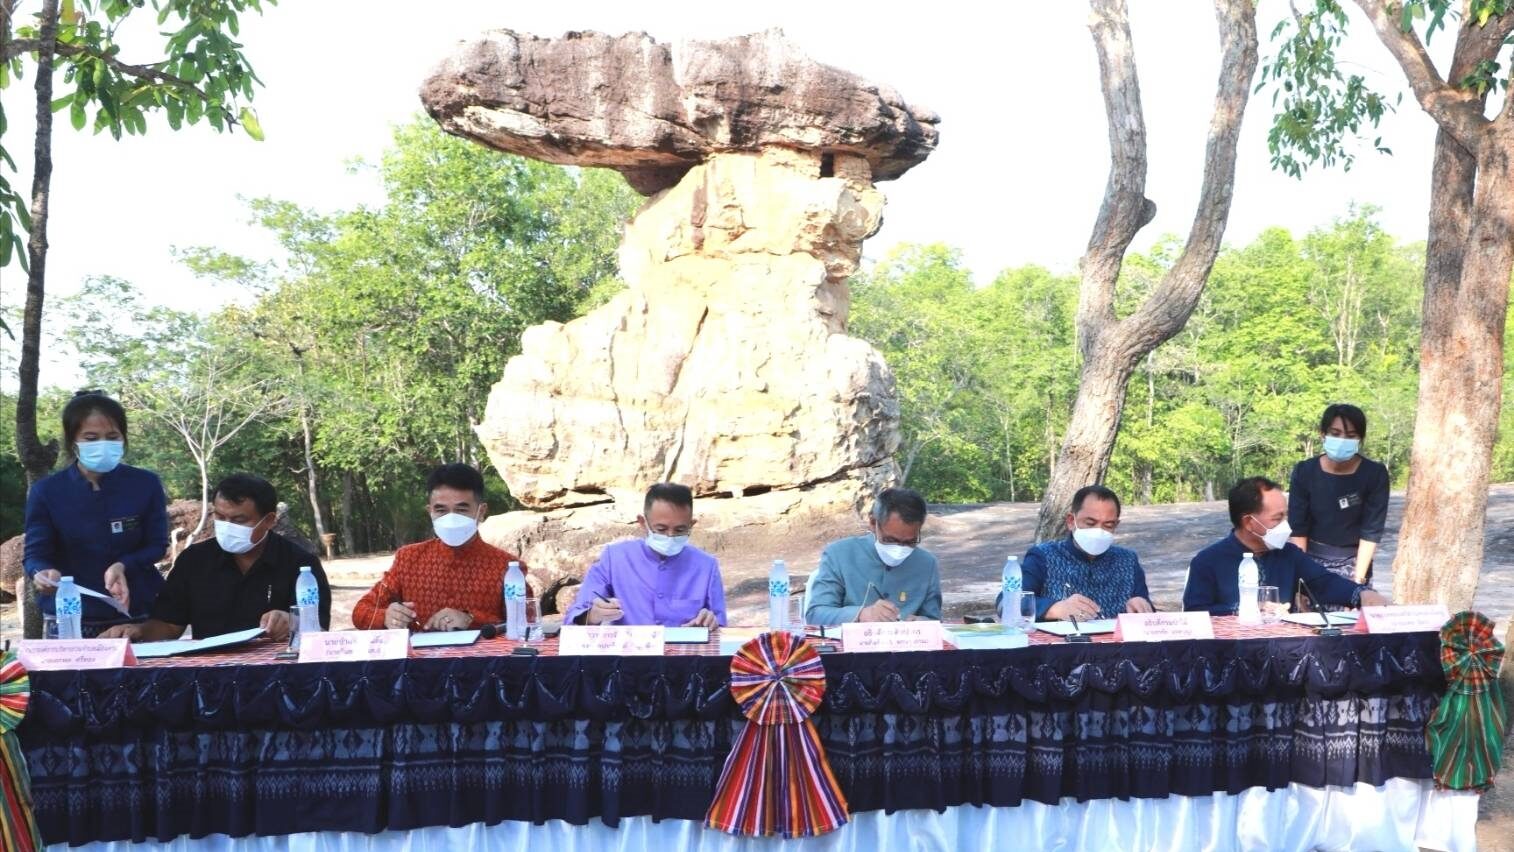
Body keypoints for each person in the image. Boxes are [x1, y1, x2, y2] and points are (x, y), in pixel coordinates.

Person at [99, 474, 330, 642]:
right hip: (208, 678)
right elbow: (169, 625)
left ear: (269, 520)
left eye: (239, 520)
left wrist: (293, 621)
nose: (227, 527)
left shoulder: (301, 564)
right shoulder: (194, 561)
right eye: (220, 517)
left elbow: (318, 630)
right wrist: (138, 632)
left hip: (274, 676)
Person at [24, 391, 168, 636]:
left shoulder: (145, 484)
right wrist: (43, 573)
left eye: (112, 437)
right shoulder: (46, 491)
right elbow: (35, 554)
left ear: (123, 438)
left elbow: (157, 545)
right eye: (91, 438)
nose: (103, 445)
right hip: (70, 620)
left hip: (137, 617)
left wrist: (124, 565)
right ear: (73, 441)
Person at [351, 463, 529, 632]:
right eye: (441, 510)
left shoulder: (507, 567)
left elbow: (526, 623)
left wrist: (472, 620)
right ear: (430, 511)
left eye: (461, 509)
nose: (451, 518)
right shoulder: (408, 559)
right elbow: (361, 612)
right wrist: (386, 617)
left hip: (483, 663)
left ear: (481, 511)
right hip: (418, 663)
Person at [1184, 476, 1388, 615]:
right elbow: (1195, 614)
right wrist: (1244, 610)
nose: (1285, 525)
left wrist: (1361, 594)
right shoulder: (1207, 561)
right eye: (1277, 518)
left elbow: (1324, 583)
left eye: (1286, 516)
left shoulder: (1289, 555)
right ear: (1249, 522)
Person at [564, 483, 726, 628]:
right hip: (629, 657)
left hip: (685, 657)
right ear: (643, 523)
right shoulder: (615, 559)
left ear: (691, 525)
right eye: (661, 529)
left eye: (680, 530)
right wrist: (593, 615)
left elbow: (721, 627)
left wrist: (711, 622)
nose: (670, 536)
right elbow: (575, 618)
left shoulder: (706, 566)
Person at [1287, 403, 1390, 602]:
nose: (1342, 440)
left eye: (1351, 436)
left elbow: (1371, 531)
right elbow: (1298, 530)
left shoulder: (1374, 474)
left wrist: (1357, 585)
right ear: (1323, 434)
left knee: (1350, 624)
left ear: (1360, 439)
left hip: (1354, 562)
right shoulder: (1305, 471)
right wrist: (1301, 578)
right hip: (1311, 561)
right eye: (1335, 433)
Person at [1012, 485, 1152, 621]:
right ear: (1071, 521)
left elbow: (1146, 610)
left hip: (1119, 644)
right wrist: (1056, 609)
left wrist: (1141, 605)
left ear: (1116, 525)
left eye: (1108, 525)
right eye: (1090, 523)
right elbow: (1009, 603)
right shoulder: (1043, 556)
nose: (1099, 531)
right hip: (1063, 644)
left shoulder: (1127, 560)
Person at [805, 487, 942, 626]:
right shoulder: (839, 554)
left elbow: (935, 620)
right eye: (890, 540)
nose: (899, 549)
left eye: (909, 542)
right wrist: (861, 614)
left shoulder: (927, 564)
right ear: (872, 523)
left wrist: (923, 623)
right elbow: (816, 615)